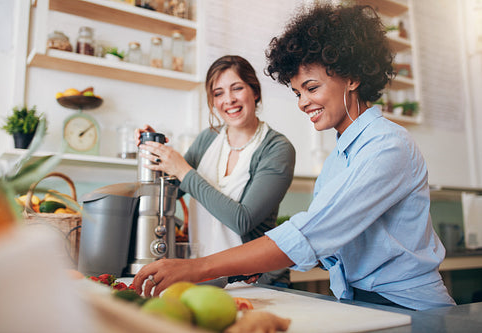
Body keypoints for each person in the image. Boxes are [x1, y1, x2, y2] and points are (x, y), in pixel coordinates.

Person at [134, 4, 456, 311]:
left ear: (353, 78)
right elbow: (330, 241)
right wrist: (255, 263)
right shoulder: (339, 156)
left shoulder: (387, 146)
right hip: (362, 300)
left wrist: (199, 268)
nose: (303, 103)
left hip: (410, 307)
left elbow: (311, 233)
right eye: (298, 92)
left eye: (312, 88)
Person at [135, 55, 296, 287]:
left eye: (237, 88)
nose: (228, 100)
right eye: (218, 93)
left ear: (255, 92)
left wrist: (183, 169)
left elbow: (242, 220)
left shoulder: (277, 148)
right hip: (205, 279)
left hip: (258, 282)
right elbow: (168, 194)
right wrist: (151, 150)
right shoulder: (207, 139)